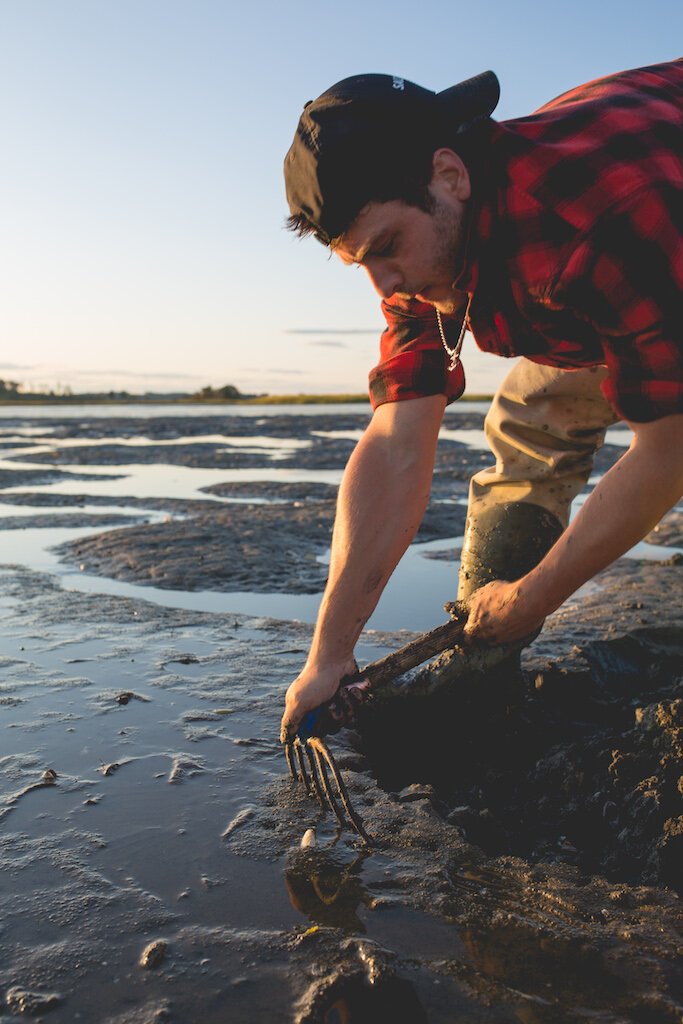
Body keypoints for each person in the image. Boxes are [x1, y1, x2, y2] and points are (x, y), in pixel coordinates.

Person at [280, 60, 683, 740]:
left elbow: (670, 447)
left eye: (386, 247)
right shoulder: (420, 255)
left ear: (450, 175)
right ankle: (482, 663)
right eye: (361, 262)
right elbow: (397, 441)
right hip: (612, 269)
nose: (385, 285)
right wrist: (329, 652)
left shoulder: (599, 222)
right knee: (531, 421)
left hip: (652, 217)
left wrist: (532, 597)